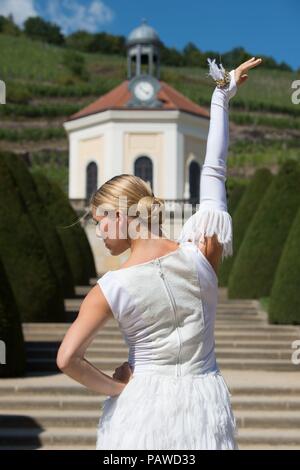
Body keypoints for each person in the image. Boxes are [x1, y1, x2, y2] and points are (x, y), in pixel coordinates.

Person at [56, 57, 263, 450]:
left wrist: (116, 388)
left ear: (123, 216)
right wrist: (221, 99)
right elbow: (215, 170)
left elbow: (67, 359)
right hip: (204, 408)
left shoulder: (109, 287)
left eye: (101, 219)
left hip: (139, 412)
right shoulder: (203, 251)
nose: (98, 230)